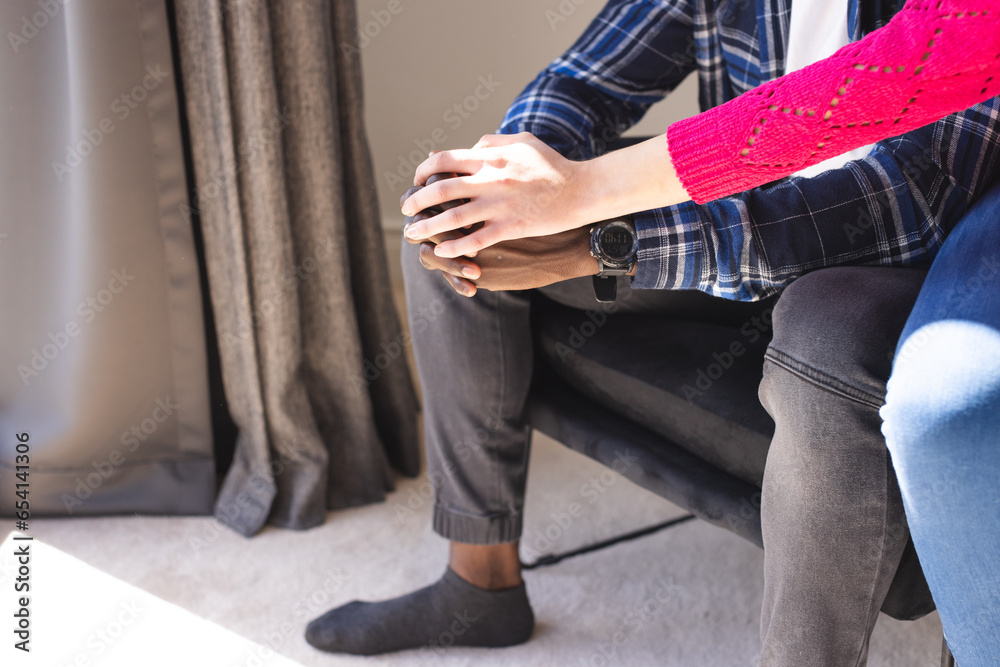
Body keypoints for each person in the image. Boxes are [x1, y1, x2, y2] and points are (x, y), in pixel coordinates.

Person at [304, 1, 1000, 664]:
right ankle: (479, 580)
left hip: (890, 258)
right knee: (453, 227)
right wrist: (510, 190)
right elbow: (587, 80)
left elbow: (909, 201)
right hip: (736, 233)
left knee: (820, 336)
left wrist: (614, 239)